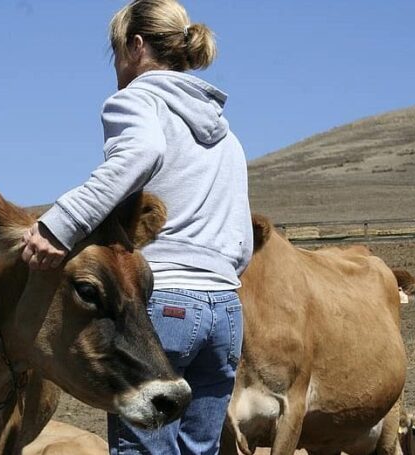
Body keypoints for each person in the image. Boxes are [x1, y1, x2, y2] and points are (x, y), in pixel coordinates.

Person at [20, 0, 253, 453]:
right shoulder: (226, 135)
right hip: (226, 314)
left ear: (137, 46)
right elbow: (241, 243)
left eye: (116, 53)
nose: (116, 68)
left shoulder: (137, 100)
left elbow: (139, 153)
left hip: (165, 307)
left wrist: (58, 226)